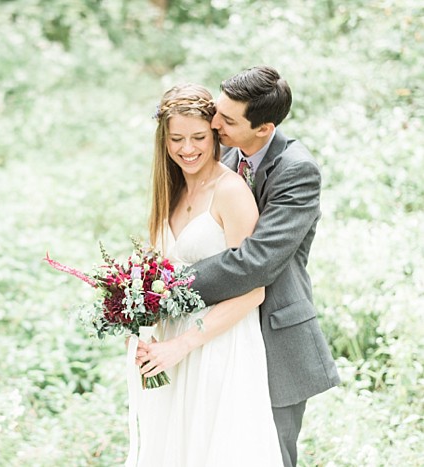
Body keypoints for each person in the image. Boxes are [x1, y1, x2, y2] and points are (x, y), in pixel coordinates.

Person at [138, 67, 341, 467]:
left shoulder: (297, 170)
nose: (214, 125)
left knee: (266, 454)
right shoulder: (222, 152)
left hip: (273, 332)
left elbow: (256, 262)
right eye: (217, 111)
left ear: (263, 128)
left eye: (226, 120)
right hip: (213, 337)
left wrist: (162, 291)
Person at [131, 83, 283, 466]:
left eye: (198, 137)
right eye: (176, 139)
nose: (187, 149)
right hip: (169, 346)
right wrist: (145, 331)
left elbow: (253, 292)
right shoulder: (171, 191)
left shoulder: (230, 192)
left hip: (219, 346)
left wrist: (183, 345)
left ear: (215, 134)